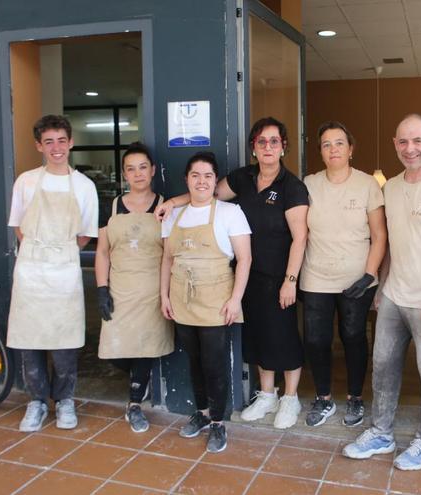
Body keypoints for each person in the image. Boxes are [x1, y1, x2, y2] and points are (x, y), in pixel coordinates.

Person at [155, 117, 309, 429]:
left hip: (280, 276)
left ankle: (290, 398)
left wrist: (290, 280)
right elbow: (205, 193)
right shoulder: (243, 178)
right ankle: (267, 394)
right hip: (247, 274)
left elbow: (301, 237)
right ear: (254, 147)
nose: (268, 147)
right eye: (261, 141)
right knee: (258, 337)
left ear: (283, 147)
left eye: (274, 141)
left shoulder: (292, 187)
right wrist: (172, 202)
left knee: (284, 337)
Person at [343, 114, 421, 470]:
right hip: (394, 297)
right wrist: (383, 287)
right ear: (395, 145)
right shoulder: (392, 187)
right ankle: (381, 433)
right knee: (382, 366)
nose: (409, 148)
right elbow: (393, 244)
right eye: (402, 141)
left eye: (417, 141)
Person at [7, 114, 99, 432]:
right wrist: (39, 250)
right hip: (31, 269)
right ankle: (35, 401)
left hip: (64, 269)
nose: (56, 147)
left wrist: (59, 250)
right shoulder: (26, 181)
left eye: (61, 140)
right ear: (39, 146)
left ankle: (64, 400)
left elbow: (85, 233)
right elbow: (19, 226)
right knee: (29, 341)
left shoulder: (85, 186)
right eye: (49, 142)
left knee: (64, 343)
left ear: (71, 142)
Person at [160, 151, 251, 453]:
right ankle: (200, 413)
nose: (202, 181)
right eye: (195, 175)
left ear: (216, 181)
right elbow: (166, 259)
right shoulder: (173, 214)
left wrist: (235, 299)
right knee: (194, 361)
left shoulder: (229, 212)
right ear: (186, 179)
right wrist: (164, 296)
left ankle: (218, 423)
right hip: (181, 298)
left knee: (214, 364)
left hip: (216, 298)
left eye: (208, 176)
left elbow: (245, 259)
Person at [301, 121, 387, 428]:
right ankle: (323, 398)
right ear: (321, 152)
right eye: (326, 144)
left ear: (350, 149)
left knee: (353, 337)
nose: (333, 149)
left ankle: (355, 398)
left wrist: (369, 275)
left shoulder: (367, 185)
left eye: (339, 143)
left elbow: (379, 235)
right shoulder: (309, 184)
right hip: (316, 277)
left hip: (356, 278)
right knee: (316, 340)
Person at [94, 142, 174, 434]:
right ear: (124, 174)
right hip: (121, 289)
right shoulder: (112, 206)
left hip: (152, 290)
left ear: (152, 170)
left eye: (143, 167)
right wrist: (102, 289)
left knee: (145, 349)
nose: (138, 174)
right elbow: (102, 251)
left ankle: (134, 403)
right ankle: (140, 381)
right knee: (116, 351)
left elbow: (169, 253)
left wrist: (167, 293)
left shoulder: (165, 205)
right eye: (131, 169)